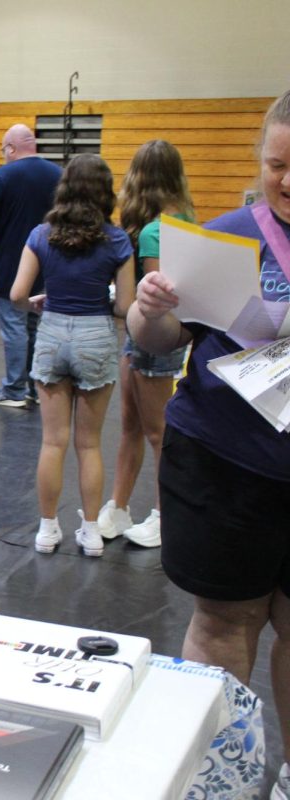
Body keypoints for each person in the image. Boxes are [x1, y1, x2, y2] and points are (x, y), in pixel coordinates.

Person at [128, 90, 290, 798]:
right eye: (277, 164)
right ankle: (218, 777)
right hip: (224, 464)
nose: (287, 180)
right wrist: (148, 307)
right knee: (224, 620)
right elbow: (158, 342)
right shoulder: (226, 236)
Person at [11, 154, 135, 557]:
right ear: (105, 191)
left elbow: (16, 295)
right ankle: (92, 532)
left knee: (53, 442)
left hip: (51, 332)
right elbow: (125, 307)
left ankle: (47, 531)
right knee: (89, 444)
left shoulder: (40, 235)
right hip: (96, 335)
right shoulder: (117, 240)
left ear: (63, 188)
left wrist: (41, 302)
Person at [98, 140, 195, 547]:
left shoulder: (157, 231)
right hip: (150, 339)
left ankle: (163, 514)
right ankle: (119, 507)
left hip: (155, 340)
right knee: (132, 426)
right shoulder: (184, 219)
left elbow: (157, 299)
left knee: (155, 433)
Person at [0, 125, 63, 408]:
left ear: (11, 148)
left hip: (10, 261)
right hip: (46, 262)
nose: (3, 156)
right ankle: (34, 387)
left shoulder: (4, 175)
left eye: (4, 150)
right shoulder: (57, 174)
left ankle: (14, 388)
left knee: (13, 326)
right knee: (35, 325)